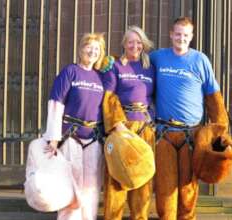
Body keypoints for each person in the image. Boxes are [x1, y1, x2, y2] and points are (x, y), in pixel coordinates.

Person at [149, 17, 229, 220]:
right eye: (177, 34)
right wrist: (109, 63)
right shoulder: (157, 58)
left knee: (188, 190)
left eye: (185, 35)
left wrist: (220, 131)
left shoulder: (200, 60)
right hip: (163, 135)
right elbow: (131, 63)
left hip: (191, 135)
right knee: (165, 190)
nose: (181, 38)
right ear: (171, 34)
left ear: (191, 36)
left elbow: (214, 98)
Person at [43, 33, 107, 220]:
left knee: (91, 187)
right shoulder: (69, 72)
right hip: (71, 137)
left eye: (97, 49)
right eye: (89, 47)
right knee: (71, 185)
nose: (92, 51)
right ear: (81, 49)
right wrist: (54, 138)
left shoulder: (100, 76)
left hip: (93, 139)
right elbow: (56, 104)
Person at [102, 25, 155, 220]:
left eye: (139, 42)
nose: (135, 46)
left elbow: (156, 96)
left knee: (143, 181)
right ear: (124, 43)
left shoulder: (150, 66)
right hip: (122, 129)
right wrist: (118, 125)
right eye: (131, 42)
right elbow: (109, 97)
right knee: (116, 181)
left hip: (144, 130)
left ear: (144, 44)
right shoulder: (115, 65)